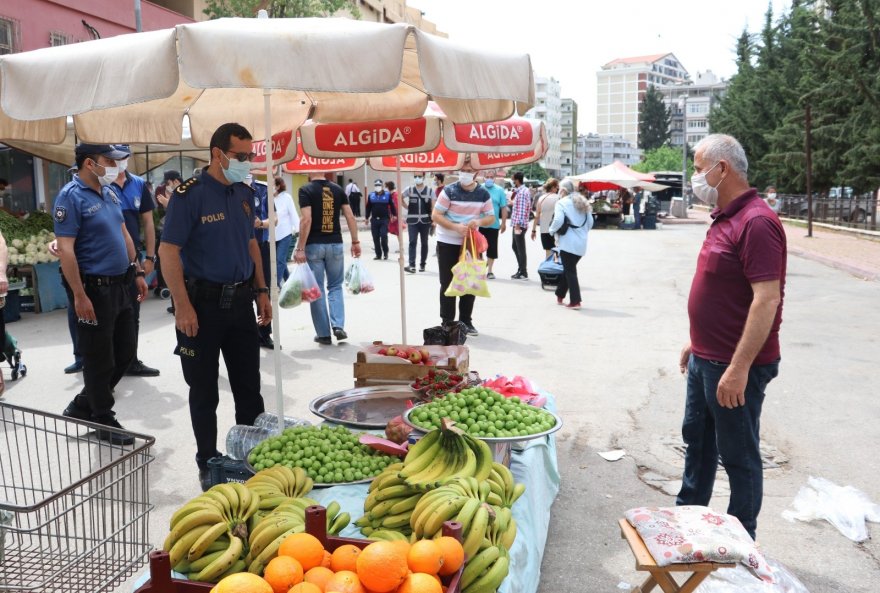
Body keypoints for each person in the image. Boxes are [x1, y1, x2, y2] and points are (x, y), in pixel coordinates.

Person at [676, 134, 786, 539]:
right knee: (698, 445)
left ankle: (740, 540)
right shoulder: (725, 216)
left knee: (737, 456)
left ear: (721, 169)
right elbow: (722, 289)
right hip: (707, 357)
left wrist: (739, 368)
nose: (694, 175)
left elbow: (766, 299)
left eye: (698, 165)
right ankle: (689, 522)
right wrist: (697, 338)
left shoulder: (757, 221)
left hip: (735, 366)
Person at [158, 123, 272, 490]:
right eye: (241, 156)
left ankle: (253, 457)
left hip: (240, 303)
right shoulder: (188, 195)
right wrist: (182, 306)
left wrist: (262, 289)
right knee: (204, 391)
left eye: (250, 156)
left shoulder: (244, 191)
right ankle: (207, 461)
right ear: (218, 154)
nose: (247, 162)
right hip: (201, 308)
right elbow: (168, 252)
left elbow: (252, 243)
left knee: (249, 389)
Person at [55, 143, 148, 446]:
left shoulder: (109, 192)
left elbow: (124, 235)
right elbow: (66, 250)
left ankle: (85, 403)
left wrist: (137, 271)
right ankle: (102, 416)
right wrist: (79, 295)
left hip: (121, 283)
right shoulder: (70, 196)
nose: (114, 166)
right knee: (99, 358)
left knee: (125, 352)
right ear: (88, 164)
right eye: (108, 160)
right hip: (93, 287)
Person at [294, 171, 362, 345]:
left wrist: (300, 247)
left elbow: (306, 220)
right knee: (335, 287)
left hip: (314, 246)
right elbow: (350, 216)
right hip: (335, 244)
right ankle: (338, 326)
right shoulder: (338, 189)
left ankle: (323, 334)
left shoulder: (306, 190)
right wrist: (355, 241)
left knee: (317, 290)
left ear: (310, 173)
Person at [431, 157, 495, 337]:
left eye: (468, 171)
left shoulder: (483, 194)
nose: (464, 174)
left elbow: (491, 217)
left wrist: (479, 221)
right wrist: (455, 227)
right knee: (447, 282)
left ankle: (465, 321)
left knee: (469, 280)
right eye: (463, 170)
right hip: (447, 242)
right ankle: (447, 322)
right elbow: (436, 215)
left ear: (476, 173)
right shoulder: (449, 191)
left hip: (470, 244)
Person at [111, 146, 160, 377]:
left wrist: (150, 256)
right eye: (115, 158)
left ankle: (131, 360)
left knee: (133, 311)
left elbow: (148, 223)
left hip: (135, 260)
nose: (119, 162)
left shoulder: (139, 184)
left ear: (128, 159)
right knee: (110, 313)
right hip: (108, 259)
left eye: (123, 157)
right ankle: (110, 362)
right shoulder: (103, 183)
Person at [548, 179, 593, 310]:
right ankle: (560, 294)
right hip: (581, 243)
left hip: (568, 242)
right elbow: (590, 222)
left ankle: (575, 301)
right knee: (569, 268)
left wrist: (551, 231)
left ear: (562, 190)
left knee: (570, 271)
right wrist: (581, 232)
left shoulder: (561, 203)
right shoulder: (583, 201)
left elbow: (558, 220)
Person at [249, 175, 274, 350]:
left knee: (263, 290)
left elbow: (274, 219)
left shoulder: (263, 190)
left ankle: (265, 333)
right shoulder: (228, 187)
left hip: (261, 245)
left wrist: (261, 223)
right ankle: (249, 334)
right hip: (238, 248)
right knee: (243, 294)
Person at [478, 171, 508, 279]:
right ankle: (480, 268)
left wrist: (503, 223)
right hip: (479, 224)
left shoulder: (499, 190)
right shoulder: (479, 189)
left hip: (493, 224)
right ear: (484, 178)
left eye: (491, 177)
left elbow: (503, 207)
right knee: (478, 248)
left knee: (492, 248)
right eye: (487, 177)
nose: (489, 179)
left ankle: (490, 270)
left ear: (494, 178)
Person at [270, 177, 299, 288]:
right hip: (272, 235)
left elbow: (293, 214)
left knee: (280, 260)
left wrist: (298, 230)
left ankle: (275, 285)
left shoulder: (287, 198)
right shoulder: (268, 198)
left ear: (278, 186)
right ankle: (290, 285)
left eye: (272, 184)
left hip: (285, 234)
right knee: (280, 261)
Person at [402, 171, 434, 273]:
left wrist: (433, 220)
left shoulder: (429, 191)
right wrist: (406, 207)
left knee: (424, 243)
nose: (417, 178)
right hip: (412, 221)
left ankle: (422, 265)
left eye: (419, 176)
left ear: (423, 177)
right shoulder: (410, 189)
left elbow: (433, 206)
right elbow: (399, 197)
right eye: (415, 176)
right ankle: (412, 265)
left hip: (425, 221)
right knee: (412, 242)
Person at [365, 179, 394, 260]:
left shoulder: (387, 195)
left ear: (382, 186)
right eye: (376, 185)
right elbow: (368, 208)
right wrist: (366, 218)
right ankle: (378, 255)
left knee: (383, 235)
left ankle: (385, 252)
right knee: (375, 237)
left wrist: (394, 215)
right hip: (374, 220)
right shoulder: (371, 195)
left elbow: (392, 206)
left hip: (384, 219)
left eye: (379, 185)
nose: (377, 187)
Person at [531, 178, 559, 259]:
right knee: (556, 250)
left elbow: (537, 216)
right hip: (556, 229)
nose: (557, 189)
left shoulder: (541, 198)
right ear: (553, 187)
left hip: (544, 229)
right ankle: (555, 267)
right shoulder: (558, 198)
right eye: (557, 187)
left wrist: (533, 230)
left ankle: (548, 268)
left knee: (548, 251)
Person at [509, 172, 531, 279]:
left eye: (513, 180)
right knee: (515, 246)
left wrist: (517, 225)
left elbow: (522, 210)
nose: (513, 182)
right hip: (518, 224)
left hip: (519, 225)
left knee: (520, 248)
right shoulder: (521, 191)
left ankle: (523, 271)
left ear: (517, 180)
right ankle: (521, 269)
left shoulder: (522, 192)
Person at [385, 180, 402, 255]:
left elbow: (396, 206)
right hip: (391, 216)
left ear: (388, 187)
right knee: (385, 231)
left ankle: (401, 247)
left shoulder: (395, 195)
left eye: (386, 187)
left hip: (394, 217)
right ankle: (383, 246)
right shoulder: (391, 195)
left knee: (398, 232)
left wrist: (394, 216)